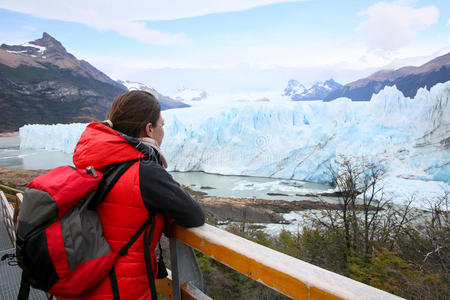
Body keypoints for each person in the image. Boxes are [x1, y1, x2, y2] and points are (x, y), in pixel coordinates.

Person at [70, 90, 205, 299]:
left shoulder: (95, 162)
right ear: (149, 129)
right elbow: (194, 215)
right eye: (162, 125)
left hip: (86, 283)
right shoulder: (145, 171)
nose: (164, 131)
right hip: (122, 289)